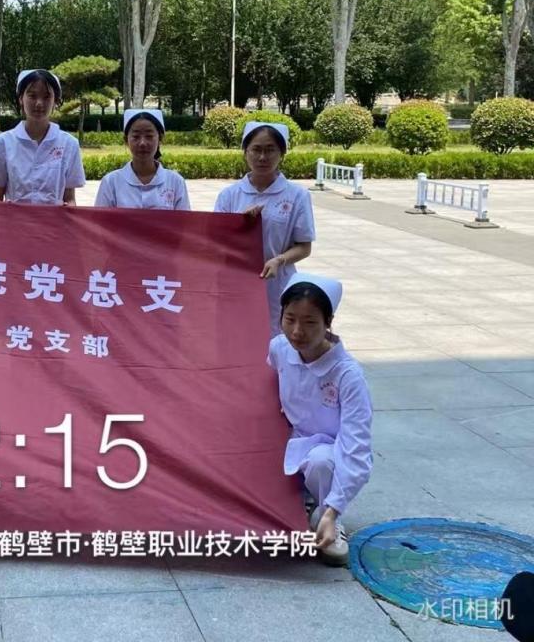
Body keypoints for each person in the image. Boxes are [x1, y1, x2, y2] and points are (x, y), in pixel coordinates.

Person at [267, 273, 372, 567]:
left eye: (310, 322)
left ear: (329, 322)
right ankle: (298, 501)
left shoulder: (348, 375)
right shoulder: (279, 348)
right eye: (290, 319)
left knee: (321, 461)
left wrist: (333, 509)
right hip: (289, 435)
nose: (297, 331)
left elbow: (356, 447)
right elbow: (270, 380)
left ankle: (326, 518)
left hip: (328, 448)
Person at [214, 121, 315, 335]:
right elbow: (217, 243)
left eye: (270, 150)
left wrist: (279, 260)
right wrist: (238, 224)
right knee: (236, 336)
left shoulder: (297, 196)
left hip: (278, 284)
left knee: (276, 339)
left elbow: (304, 246)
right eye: (256, 150)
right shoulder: (229, 195)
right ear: (245, 152)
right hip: (236, 281)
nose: (262, 157)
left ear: (282, 154)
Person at [0, 69, 85, 205]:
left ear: (55, 101)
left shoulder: (69, 144)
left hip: (54, 218)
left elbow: (69, 198)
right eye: (32, 96)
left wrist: (69, 208)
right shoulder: (3, 143)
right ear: (21, 99)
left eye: (46, 97)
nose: (39, 103)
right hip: (14, 218)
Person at [94, 109, 190, 210]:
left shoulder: (175, 182)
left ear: (160, 138)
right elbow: (99, 219)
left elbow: (184, 219)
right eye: (136, 136)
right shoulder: (111, 182)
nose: (142, 143)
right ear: (126, 140)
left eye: (149, 136)